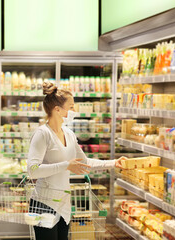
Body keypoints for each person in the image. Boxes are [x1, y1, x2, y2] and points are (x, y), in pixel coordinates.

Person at [27, 81, 126, 240]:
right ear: (57, 110)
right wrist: (66, 165)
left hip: (63, 204)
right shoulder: (42, 134)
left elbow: (84, 162)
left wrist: (113, 163)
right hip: (43, 204)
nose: (75, 110)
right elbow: (32, 170)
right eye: (71, 107)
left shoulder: (69, 134)